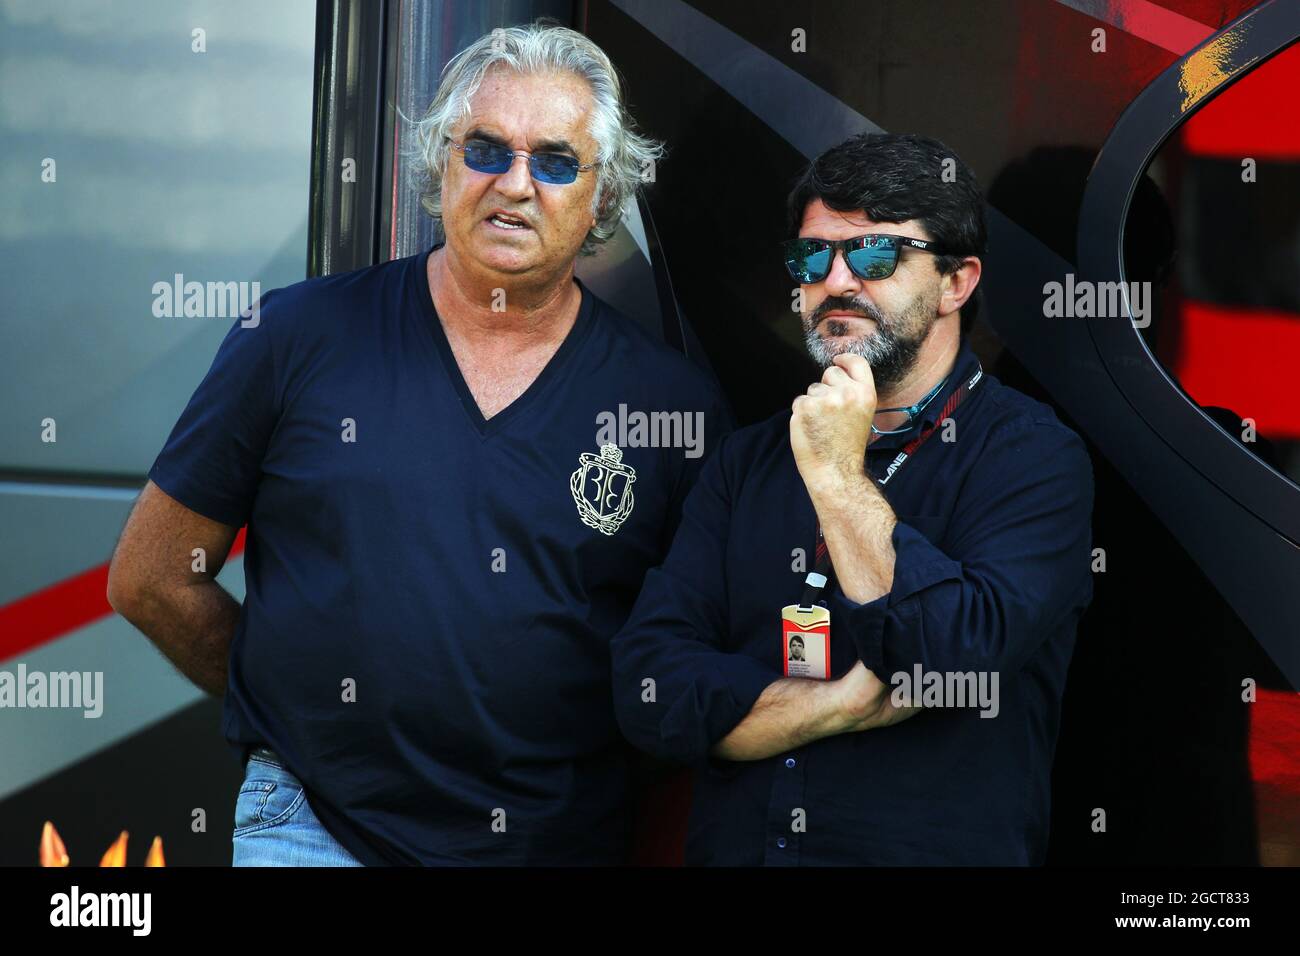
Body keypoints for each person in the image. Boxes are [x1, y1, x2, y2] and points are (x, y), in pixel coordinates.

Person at [106, 22, 729, 866]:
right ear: (441, 160)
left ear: (602, 198)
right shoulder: (294, 336)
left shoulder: (672, 405)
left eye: (553, 161)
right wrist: (296, 708)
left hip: (555, 845)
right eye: (485, 149)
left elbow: (698, 657)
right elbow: (151, 579)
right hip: (312, 827)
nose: (514, 185)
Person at [610, 132, 1095, 865]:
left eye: (874, 255)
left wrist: (839, 479)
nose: (836, 281)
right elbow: (647, 685)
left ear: (956, 281)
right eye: (812, 258)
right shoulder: (749, 460)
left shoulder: (1032, 457)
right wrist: (833, 708)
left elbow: (951, 661)